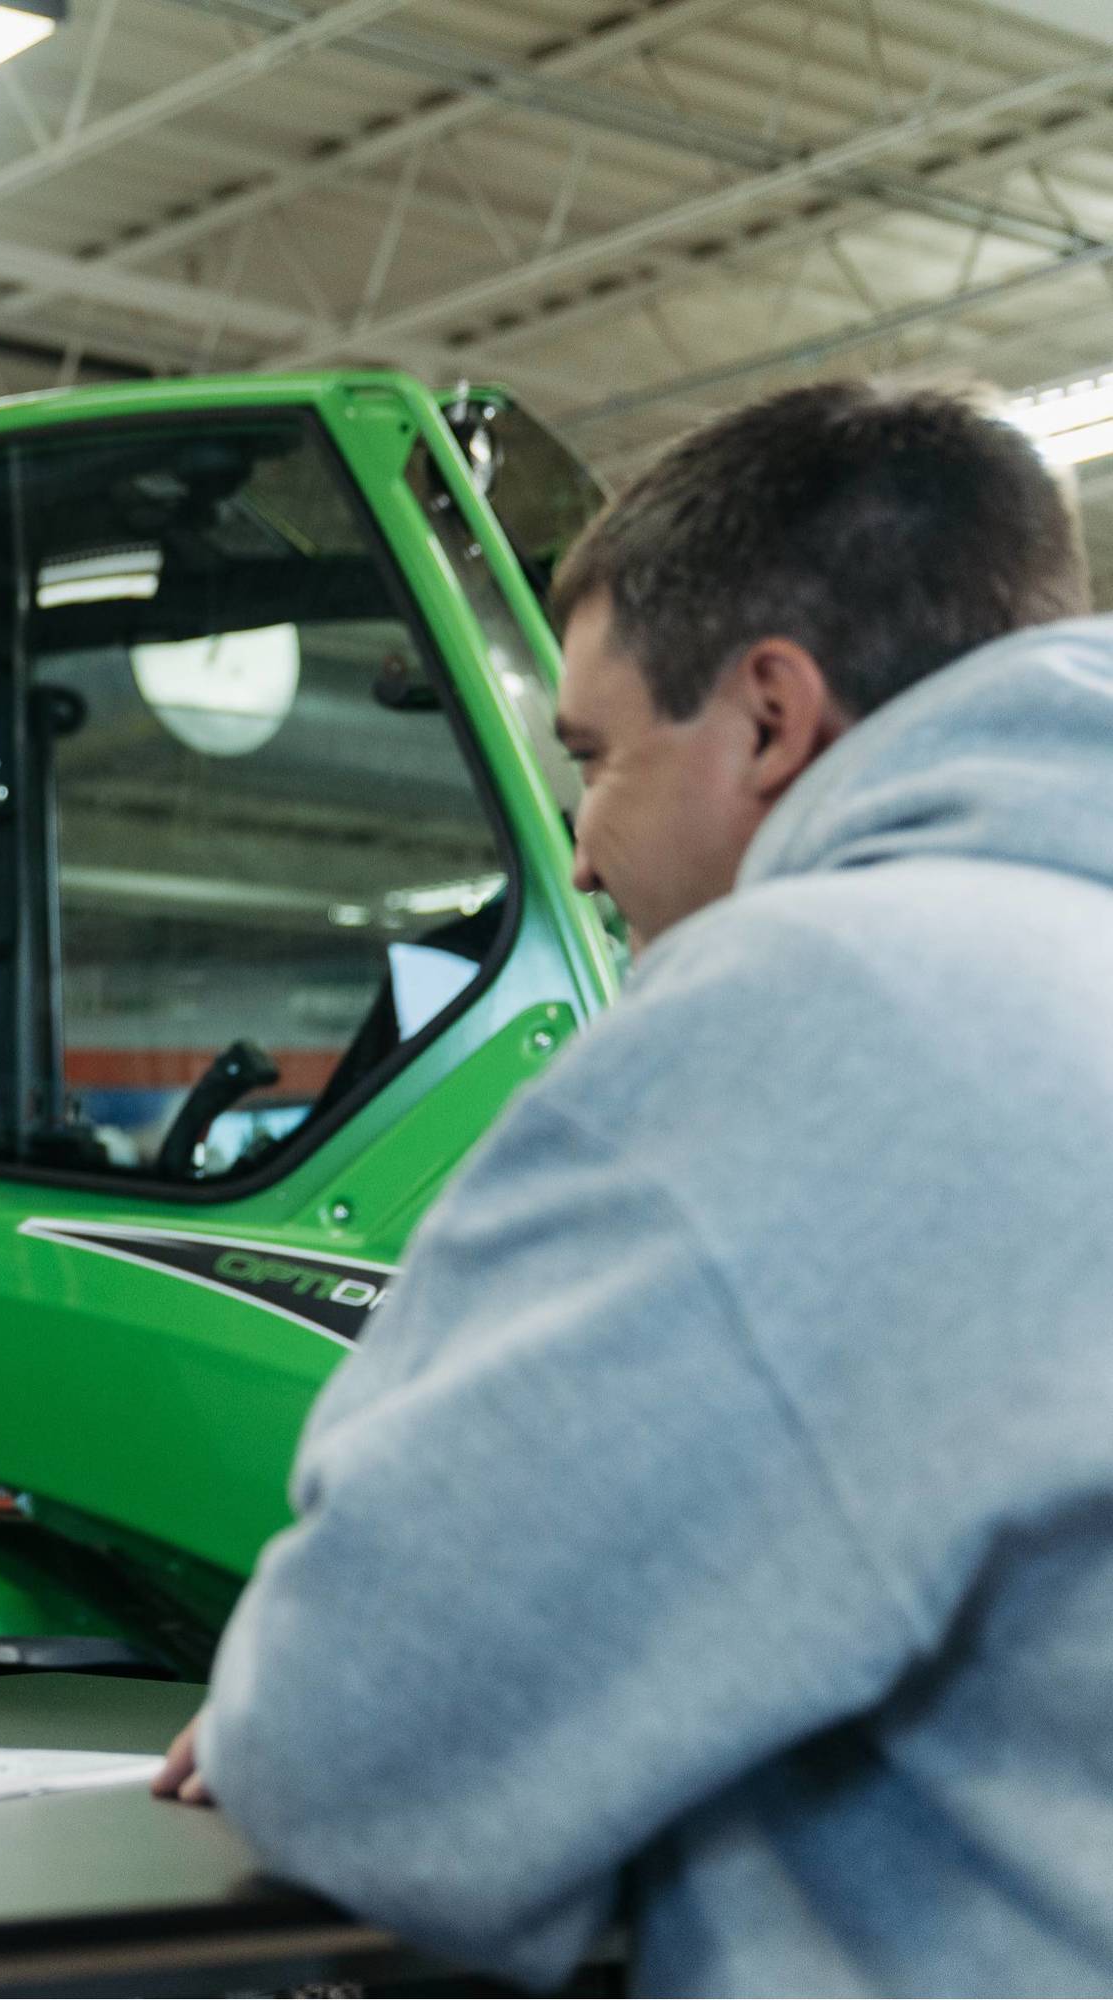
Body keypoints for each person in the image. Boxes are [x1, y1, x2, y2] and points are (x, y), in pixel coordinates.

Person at [153, 378, 1113, 1991]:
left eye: (592, 756)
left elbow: (366, 1740)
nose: (582, 856)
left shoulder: (818, 1003)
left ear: (767, 717)